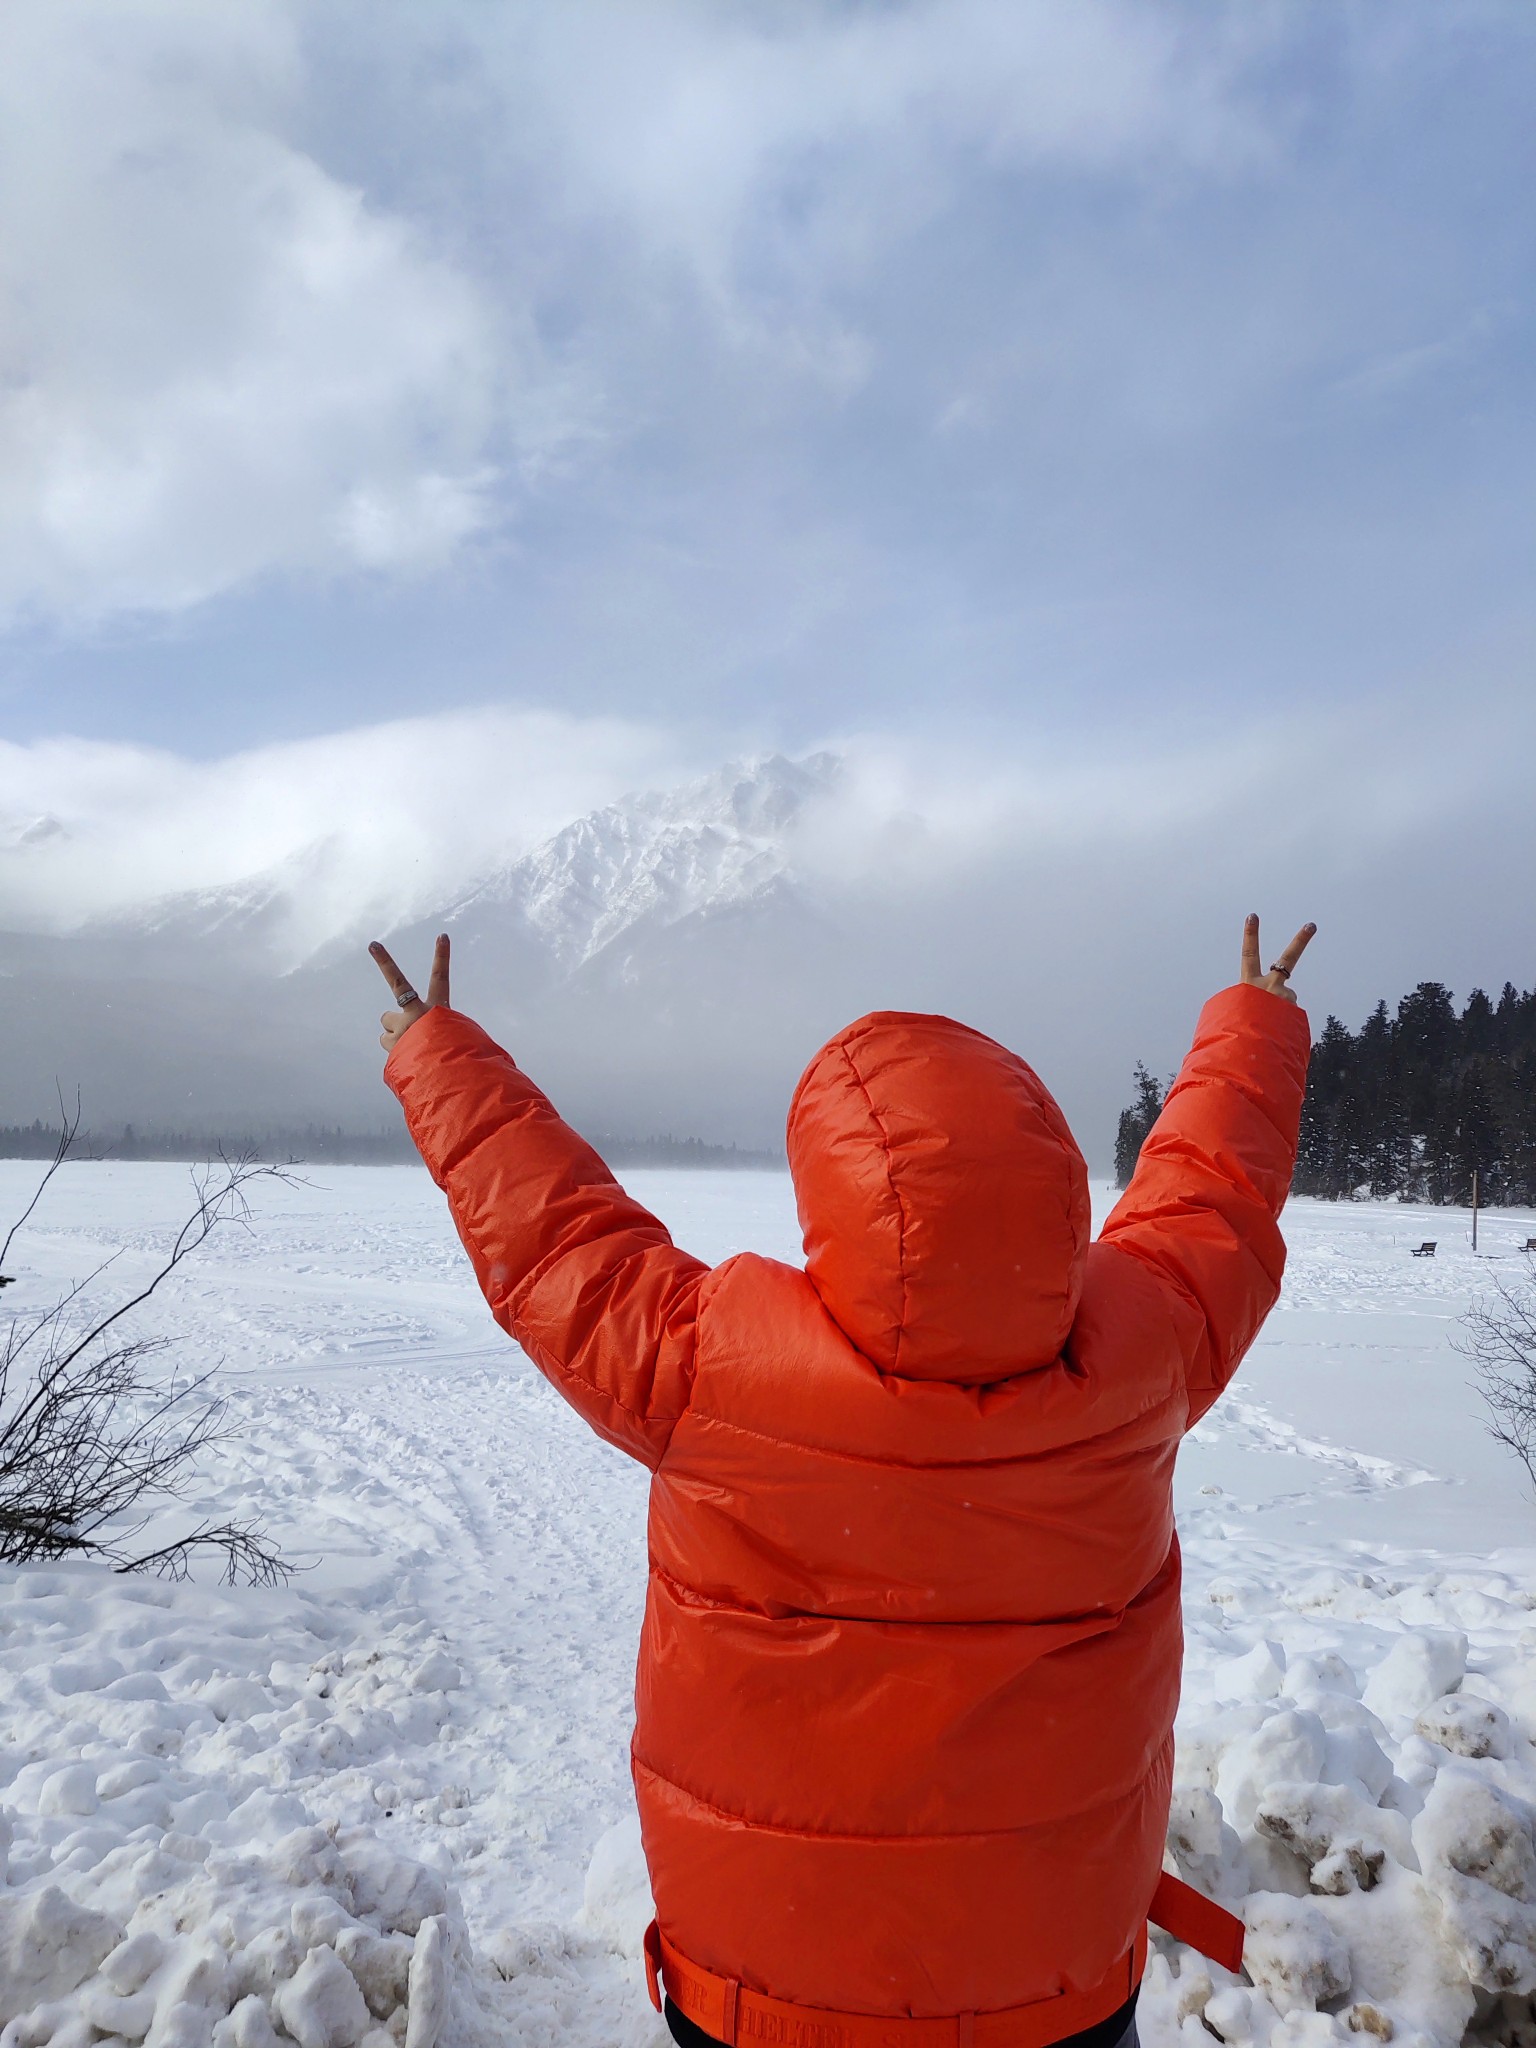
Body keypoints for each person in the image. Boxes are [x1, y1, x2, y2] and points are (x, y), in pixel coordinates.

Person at [368, 914, 1316, 2048]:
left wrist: (435, 1049)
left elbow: (555, 1237)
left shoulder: (713, 1365)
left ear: (830, 1196)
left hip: (767, 1988)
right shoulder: (1139, 1355)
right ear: (1053, 1185)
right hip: (1053, 1977)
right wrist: (1255, 1025)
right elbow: (1208, 1198)